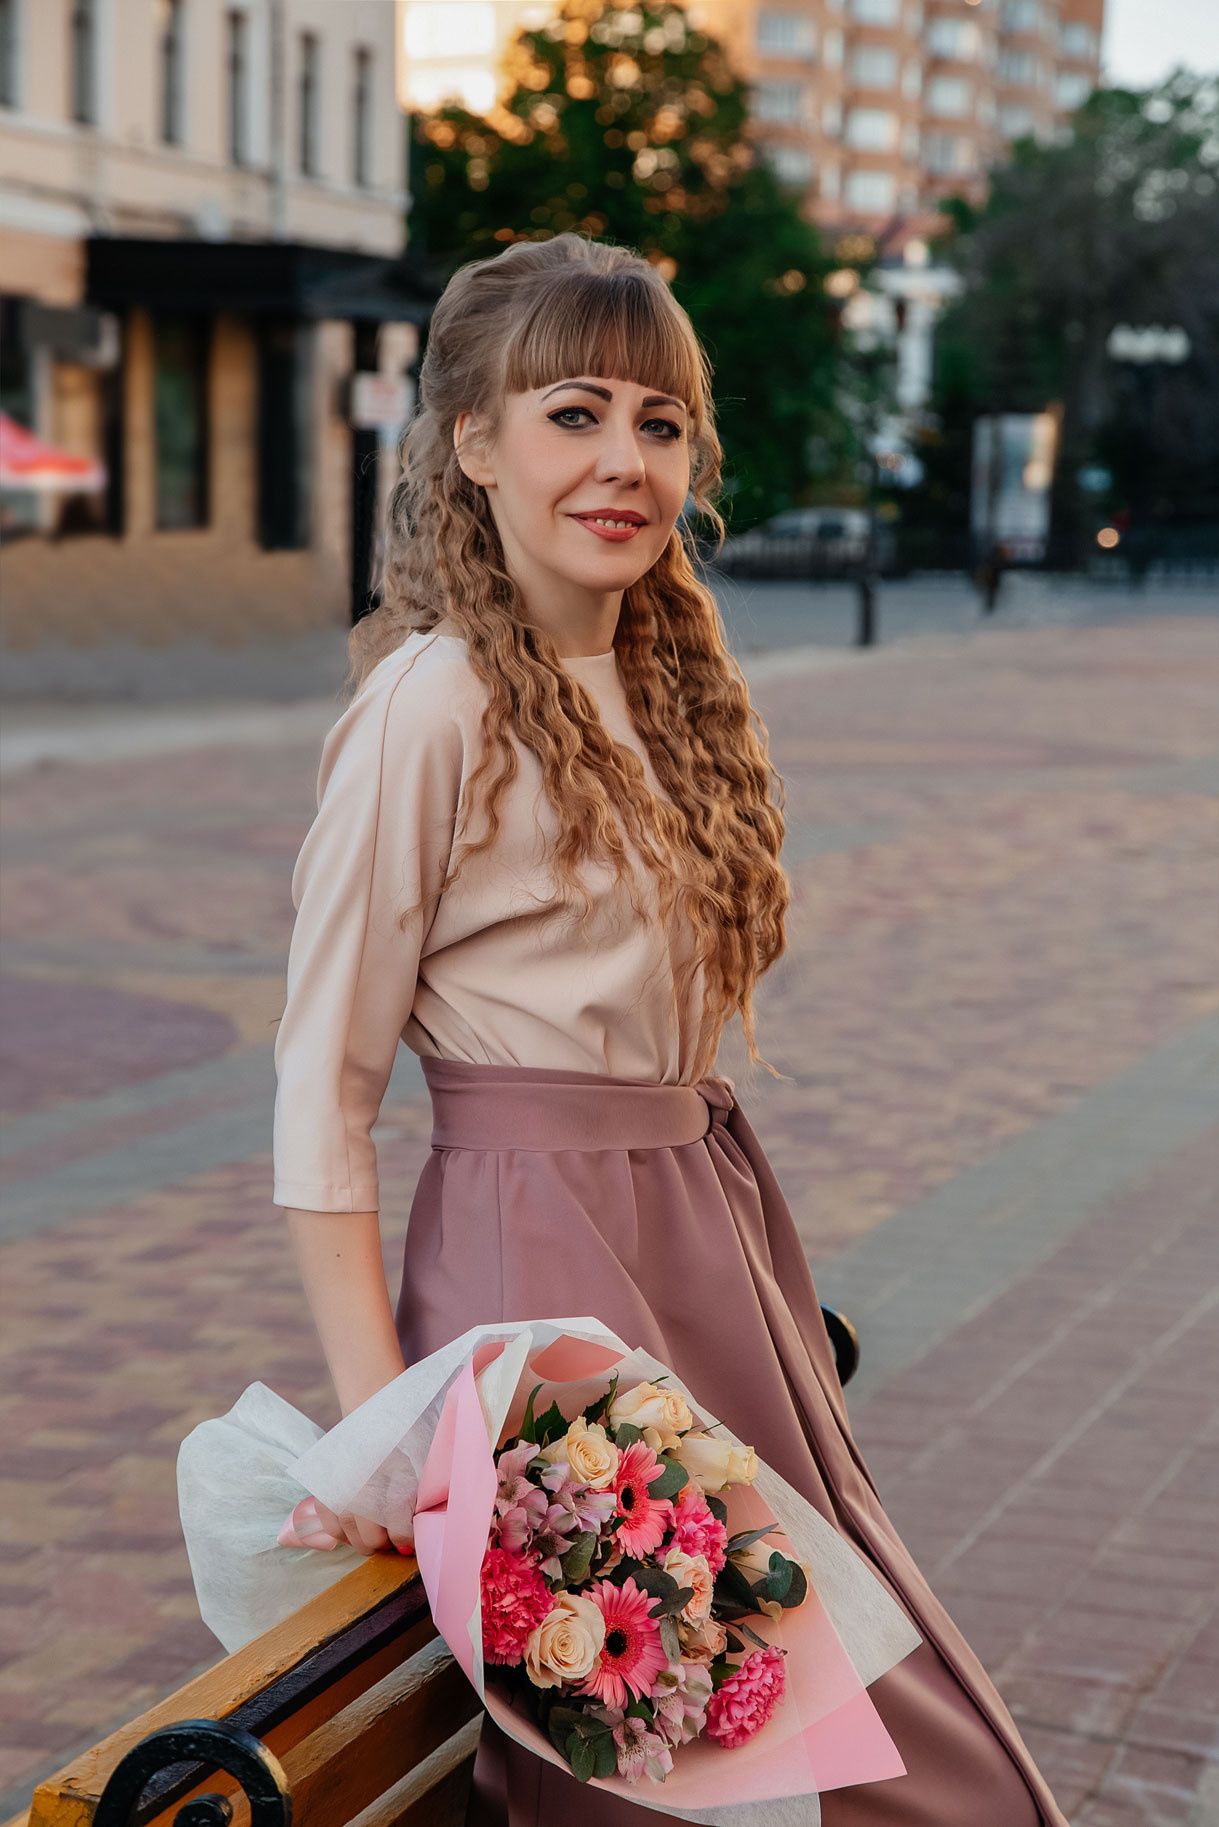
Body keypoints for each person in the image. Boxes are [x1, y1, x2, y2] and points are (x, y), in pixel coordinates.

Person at [273, 235, 1067, 1827]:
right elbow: (323, 1093)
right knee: (716, 1767)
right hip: (540, 1278)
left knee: (876, 1733)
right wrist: (385, 1436)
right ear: (477, 447)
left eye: (659, 420)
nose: (624, 460)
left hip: (706, 1242)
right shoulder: (432, 703)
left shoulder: (673, 685)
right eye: (573, 414)